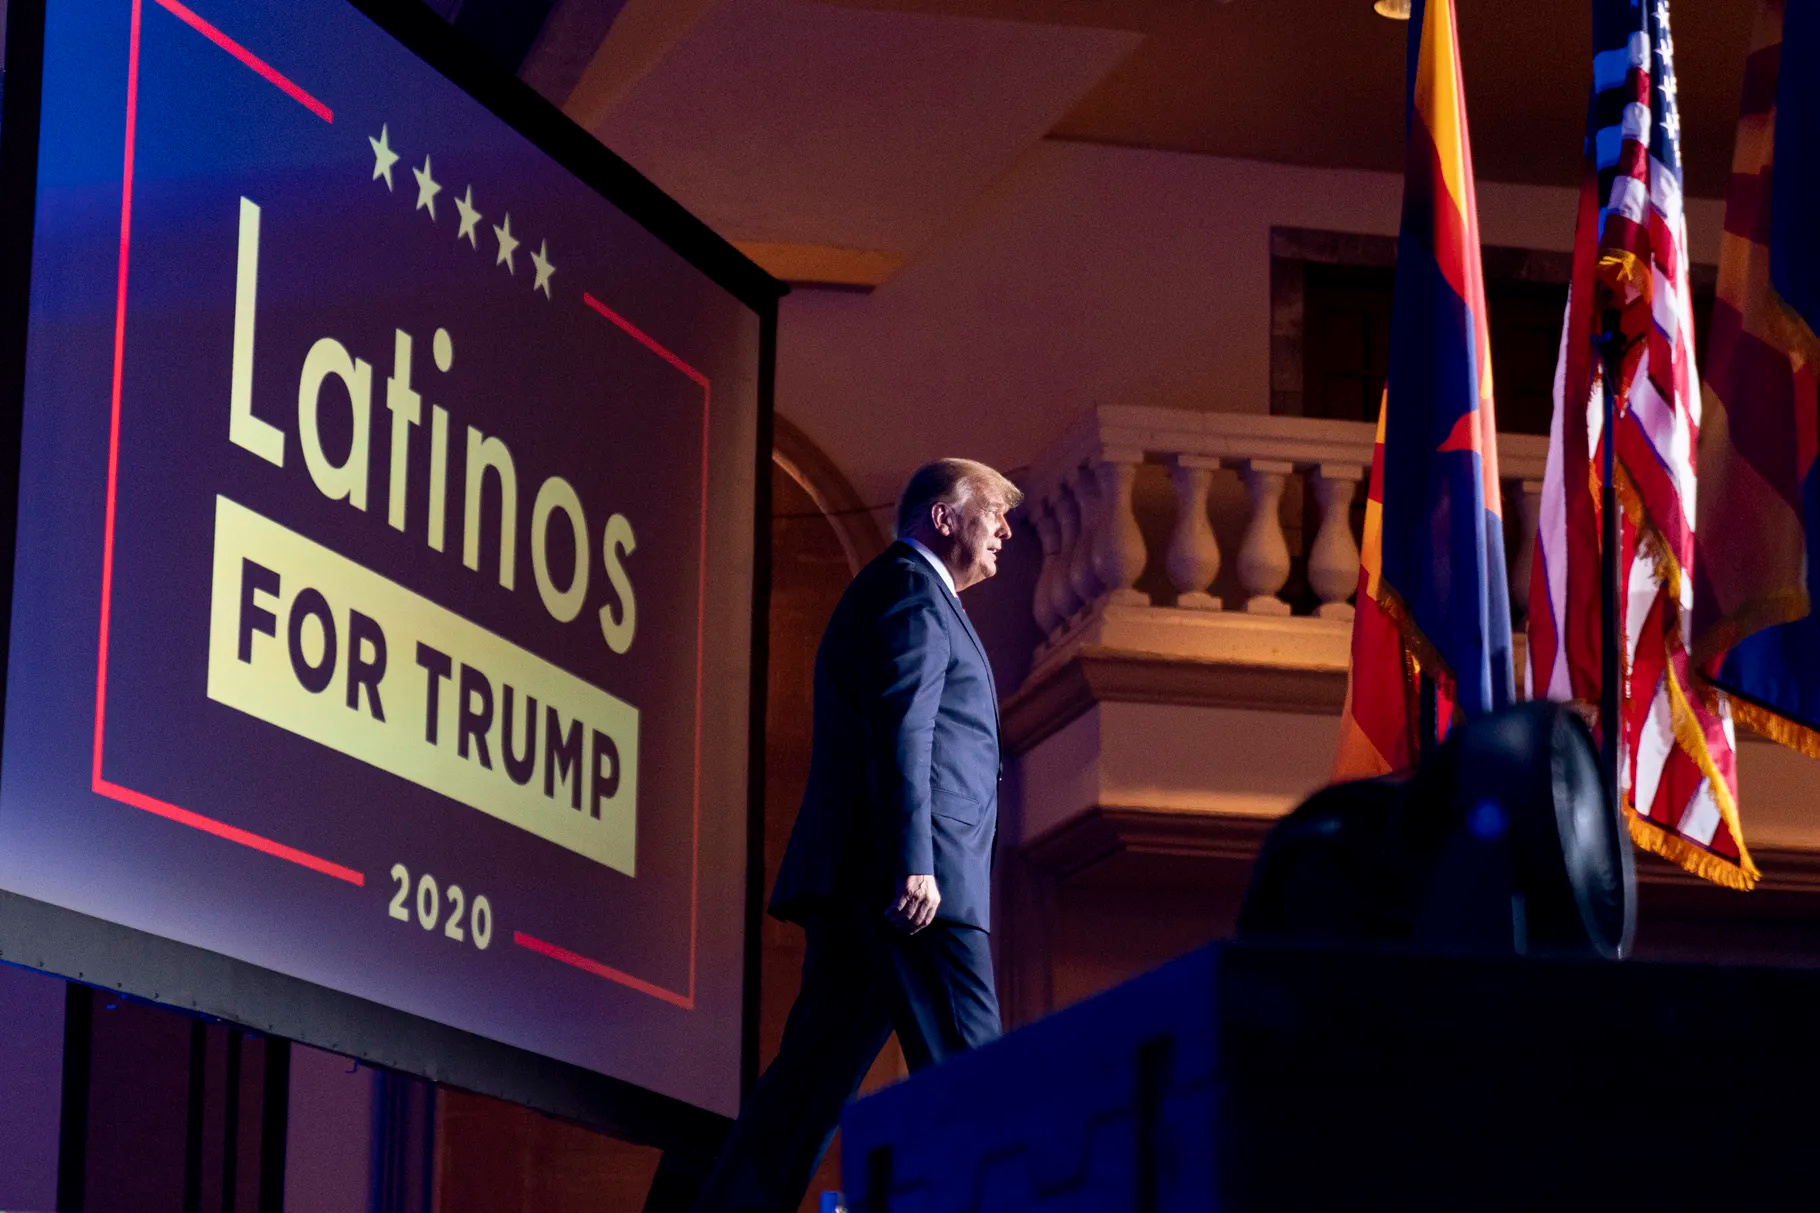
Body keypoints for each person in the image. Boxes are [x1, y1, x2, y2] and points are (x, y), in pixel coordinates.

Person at [691, 457, 1021, 1213]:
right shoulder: (909, 590)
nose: (1006, 528)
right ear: (942, 518)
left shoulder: (912, 594)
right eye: (993, 511)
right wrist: (916, 863)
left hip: (874, 885)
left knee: (808, 1084)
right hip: (914, 887)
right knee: (977, 1076)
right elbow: (901, 728)